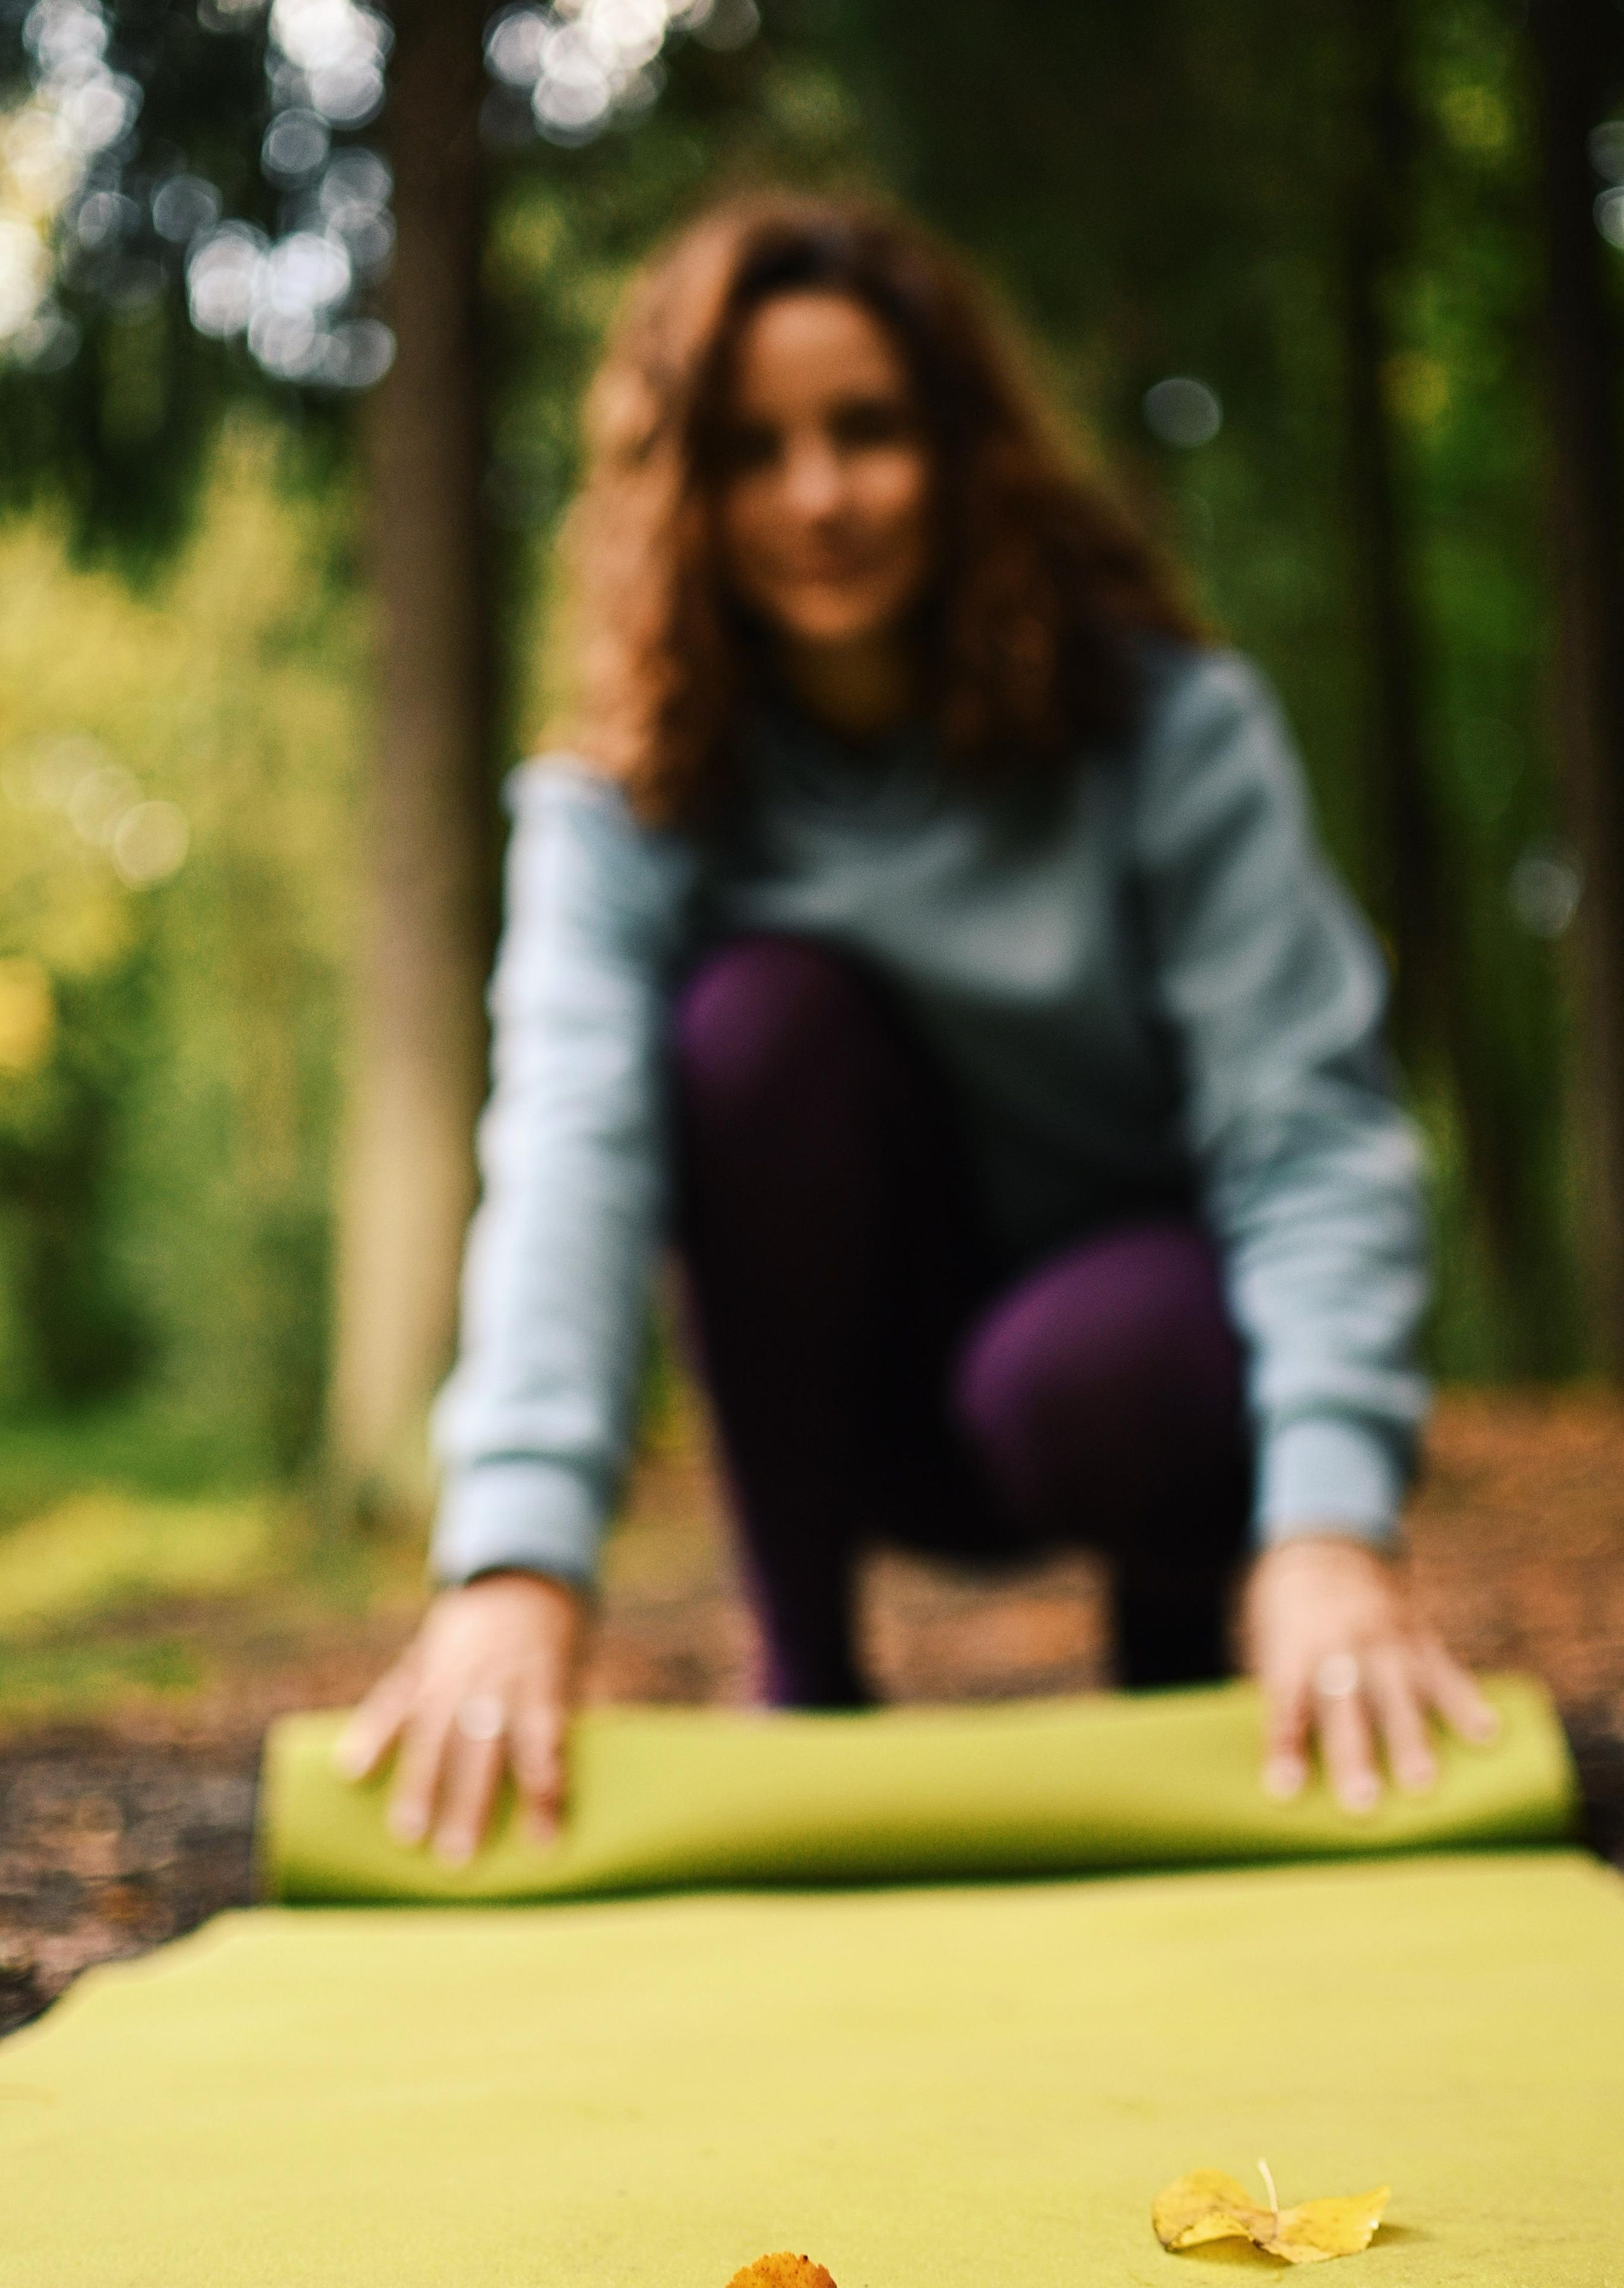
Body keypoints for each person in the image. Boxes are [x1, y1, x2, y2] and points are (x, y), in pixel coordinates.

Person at [338, 190, 1498, 1864]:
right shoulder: (622, 805)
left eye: (867, 432)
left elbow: (1308, 1132)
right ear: (685, 493)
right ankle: (804, 1679)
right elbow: (569, 1148)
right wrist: (513, 1564)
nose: (818, 497)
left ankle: (1183, 1679)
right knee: (754, 1024)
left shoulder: (1171, 732)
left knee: (1102, 1359)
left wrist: (1327, 1529)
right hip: (854, 1403)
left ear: (961, 449)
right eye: (753, 450)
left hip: (1131, 1380)